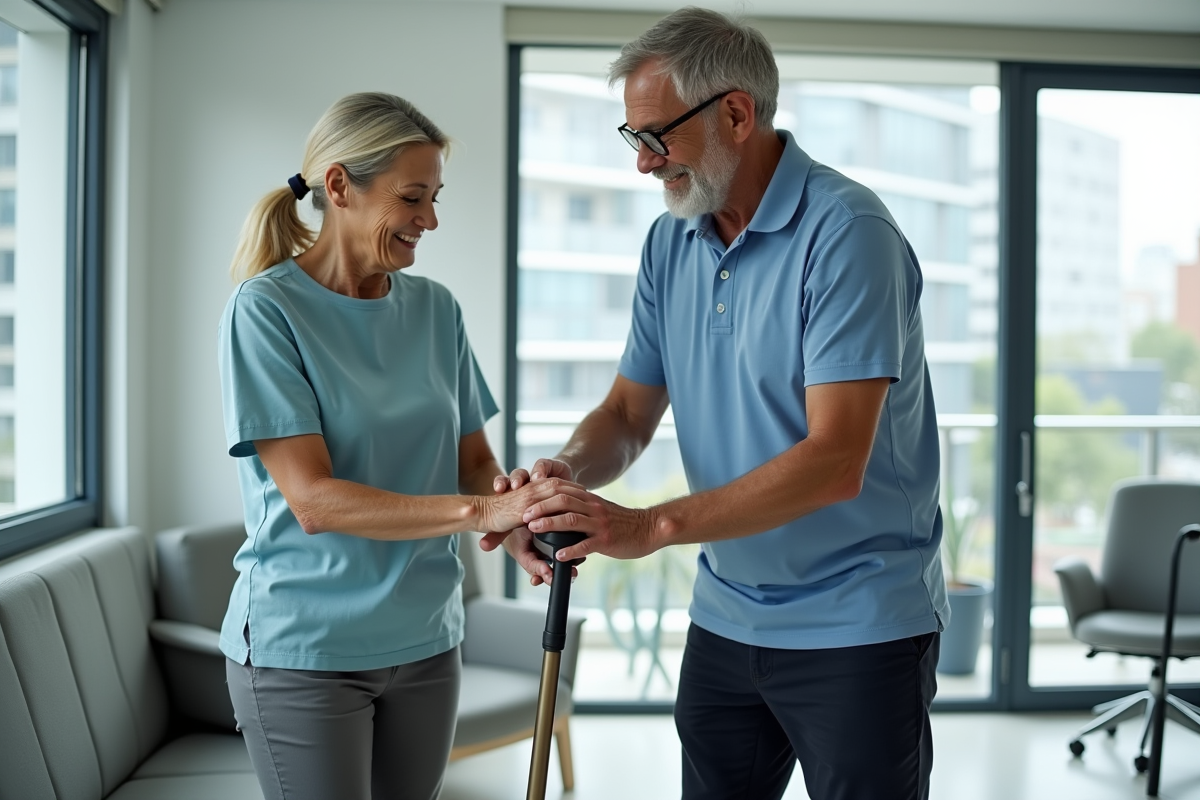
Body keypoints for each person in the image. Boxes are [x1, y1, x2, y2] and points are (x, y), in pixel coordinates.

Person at [483, 8, 948, 800]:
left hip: (857, 623)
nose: (643, 165)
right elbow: (629, 414)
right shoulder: (674, 240)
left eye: (656, 137)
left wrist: (649, 526)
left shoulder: (848, 233)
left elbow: (836, 461)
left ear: (736, 112)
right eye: (632, 140)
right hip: (727, 616)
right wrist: (563, 475)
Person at [218, 92, 572, 800]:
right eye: (413, 197)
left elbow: (473, 460)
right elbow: (314, 501)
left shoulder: (436, 309)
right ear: (341, 186)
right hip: (307, 649)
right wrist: (479, 516)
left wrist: (516, 513)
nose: (430, 220)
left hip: (427, 639)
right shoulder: (267, 310)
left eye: (435, 197)